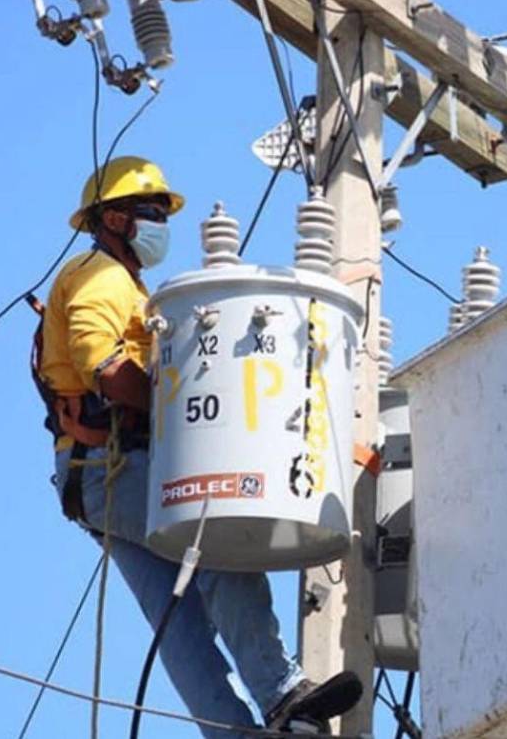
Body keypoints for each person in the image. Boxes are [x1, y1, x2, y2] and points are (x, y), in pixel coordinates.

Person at [34, 156, 355, 736]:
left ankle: (231, 732)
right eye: (148, 211)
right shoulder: (97, 275)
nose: (159, 221)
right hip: (114, 467)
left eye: (162, 211)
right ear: (111, 219)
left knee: (177, 623)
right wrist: (178, 412)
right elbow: (103, 367)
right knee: (217, 541)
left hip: (97, 477)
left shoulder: (122, 282)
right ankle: (281, 693)